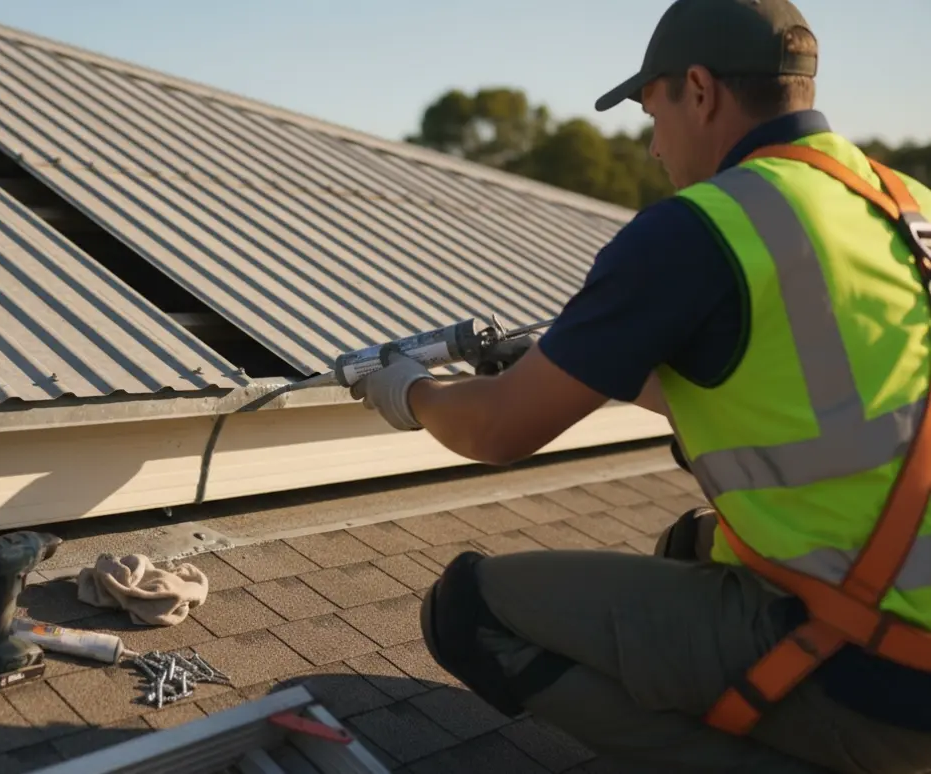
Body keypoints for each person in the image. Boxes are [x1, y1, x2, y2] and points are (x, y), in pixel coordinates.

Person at [348, 0, 931, 771]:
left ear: (699, 89)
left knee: (467, 612)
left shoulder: (702, 226)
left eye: (652, 112)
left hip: (885, 667)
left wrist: (408, 390)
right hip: (910, 607)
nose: (654, 146)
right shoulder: (904, 203)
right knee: (690, 546)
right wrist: (568, 360)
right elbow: (801, 383)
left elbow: (495, 431)